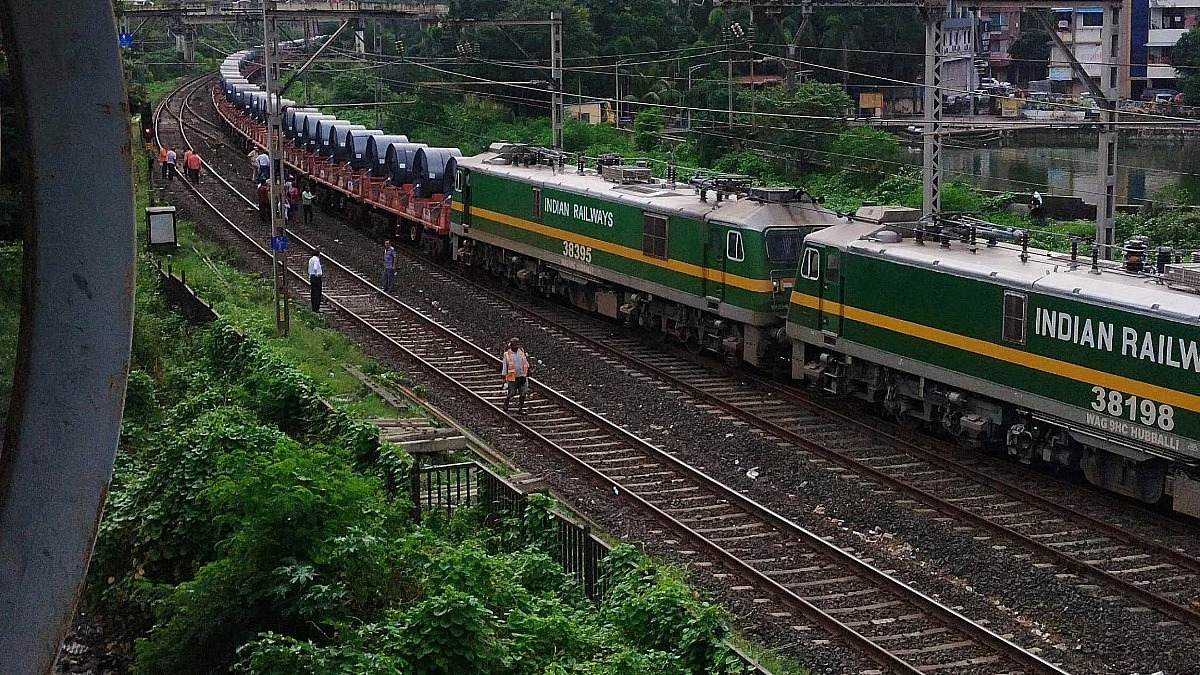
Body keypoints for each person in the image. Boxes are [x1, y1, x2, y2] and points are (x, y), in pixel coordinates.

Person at [501, 337, 530, 413]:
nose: (517, 346)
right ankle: (506, 403)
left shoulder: (521, 351)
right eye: (515, 345)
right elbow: (505, 367)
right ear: (511, 345)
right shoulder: (507, 354)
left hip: (522, 376)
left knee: (523, 392)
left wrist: (527, 372)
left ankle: (520, 409)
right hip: (512, 378)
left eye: (518, 344)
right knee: (512, 392)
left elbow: (525, 362)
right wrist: (504, 378)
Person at [308, 248, 323, 313]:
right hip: (316, 277)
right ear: (318, 254)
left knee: (313, 292)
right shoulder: (316, 259)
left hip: (312, 277)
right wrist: (318, 274)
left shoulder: (311, 259)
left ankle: (313, 307)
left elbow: (309, 269)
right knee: (317, 293)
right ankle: (316, 308)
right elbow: (315, 267)